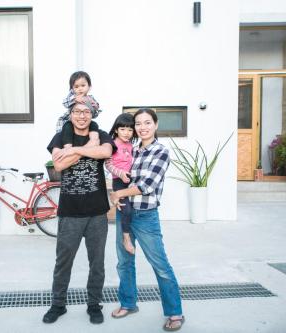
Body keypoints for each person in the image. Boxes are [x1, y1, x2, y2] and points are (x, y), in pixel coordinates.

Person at [109, 108, 185, 331]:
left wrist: (118, 194)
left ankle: (174, 312)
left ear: (156, 125)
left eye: (147, 123)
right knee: (124, 262)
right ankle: (128, 303)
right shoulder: (132, 150)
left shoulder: (160, 151)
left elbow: (146, 186)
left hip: (146, 216)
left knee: (160, 265)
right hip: (125, 213)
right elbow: (115, 171)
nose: (142, 127)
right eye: (138, 124)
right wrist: (118, 195)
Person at [43, 101, 116, 325]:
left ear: (92, 114)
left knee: (97, 262)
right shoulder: (59, 137)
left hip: (97, 213)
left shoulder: (101, 135)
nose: (81, 116)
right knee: (63, 262)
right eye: (77, 111)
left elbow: (105, 151)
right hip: (70, 213)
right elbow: (58, 164)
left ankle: (94, 305)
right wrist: (87, 150)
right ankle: (58, 305)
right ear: (70, 114)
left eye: (86, 112)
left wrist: (73, 150)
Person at [105, 113, 137, 255]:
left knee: (133, 209)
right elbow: (108, 164)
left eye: (130, 130)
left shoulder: (131, 145)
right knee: (127, 210)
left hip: (131, 180)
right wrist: (120, 173)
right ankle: (126, 238)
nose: (127, 133)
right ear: (117, 129)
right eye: (123, 129)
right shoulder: (112, 144)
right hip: (119, 181)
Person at [56, 71, 102, 148]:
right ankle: (68, 148)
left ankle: (93, 143)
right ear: (72, 89)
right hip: (70, 121)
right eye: (76, 87)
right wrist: (74, 99)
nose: (80, 89)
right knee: (67, 128)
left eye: (83, 85)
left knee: (94, 124)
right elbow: (65, 103)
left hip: (85, 123)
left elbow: (94, 114)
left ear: (89, 87)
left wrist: (95, 106)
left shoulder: (90, 98)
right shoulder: (73, 96)